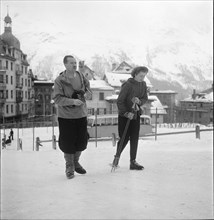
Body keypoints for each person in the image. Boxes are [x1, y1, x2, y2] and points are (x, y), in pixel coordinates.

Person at [53, 55, 91, 179]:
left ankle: (76, 162)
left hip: (81, 114)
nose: (74, 65)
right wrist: (73, 102)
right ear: (65, 65)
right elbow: (57, 99)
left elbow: (88, 90)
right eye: (71, 63)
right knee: (68, 143)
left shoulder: (81, 76)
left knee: (81, 141)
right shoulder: (59, 80)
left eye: (75, 63)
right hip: (66, 117)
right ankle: (69, 166)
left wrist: (87, 94)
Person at [114, 66, 149, 170]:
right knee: (124, 138)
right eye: (141, 76)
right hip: (125, 116)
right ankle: (116, 158)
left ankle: (133, 161)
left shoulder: (143, 84)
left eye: (144, 76)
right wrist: (125, 113)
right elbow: (120, 101)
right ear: (135, 74)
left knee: (134, 138)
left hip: (136, 114)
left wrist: (139, 101)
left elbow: (145, 98)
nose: (142, 78)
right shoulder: (127, 85)